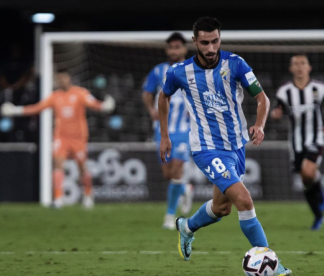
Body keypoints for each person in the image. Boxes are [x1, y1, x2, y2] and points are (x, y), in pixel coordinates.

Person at [158, 17, 292, 275]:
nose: (210, 48)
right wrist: (165, 135)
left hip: (236, 146)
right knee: (244, 199)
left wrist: (260, 125)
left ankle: (186, 227)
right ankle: (272, 265)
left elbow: (262, 98)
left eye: (215, 41)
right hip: (206, 148)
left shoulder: (236, 64)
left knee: (221, 208)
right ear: (194, 41)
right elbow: (163, 98)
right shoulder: (179, 72)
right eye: (205, 42)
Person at [1, 70, 115, 208]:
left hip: (78, 138)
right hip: (61, 137)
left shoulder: (80, 93)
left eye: (63, 78)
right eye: (59, 79)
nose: (61, 81)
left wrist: (104, 106)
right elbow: (37, 108)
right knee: (57, 164)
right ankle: (59, 199)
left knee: (82, 167)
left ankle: (88, 195)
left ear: (69, 78)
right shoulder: (55, 96)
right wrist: (15, 110)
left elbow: (94, 104)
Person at [270, 54, 324, 230]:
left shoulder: (320, 88)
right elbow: (278, 110)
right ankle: (318, 215)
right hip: (296, 142)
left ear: (309, 68)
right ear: (291, 69)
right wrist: (276, 115)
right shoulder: (284, 92)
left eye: (303, 63)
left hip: (316, 137)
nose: (300, 66)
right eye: (296, 64)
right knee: (305, 179)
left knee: (307, 171)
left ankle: (320, 196)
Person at [142, 32, 194, 230]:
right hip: (162, 129)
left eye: (177, 47)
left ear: (184, 49)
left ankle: (169, 216)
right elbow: (147, 93)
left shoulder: (192, 69)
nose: (174, 50)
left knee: (176, 170)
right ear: (167, 50)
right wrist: (151, 110)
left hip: (184, 130)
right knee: (167, 173)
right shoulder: (158, 71)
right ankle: (185, 188)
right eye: (171, 47)